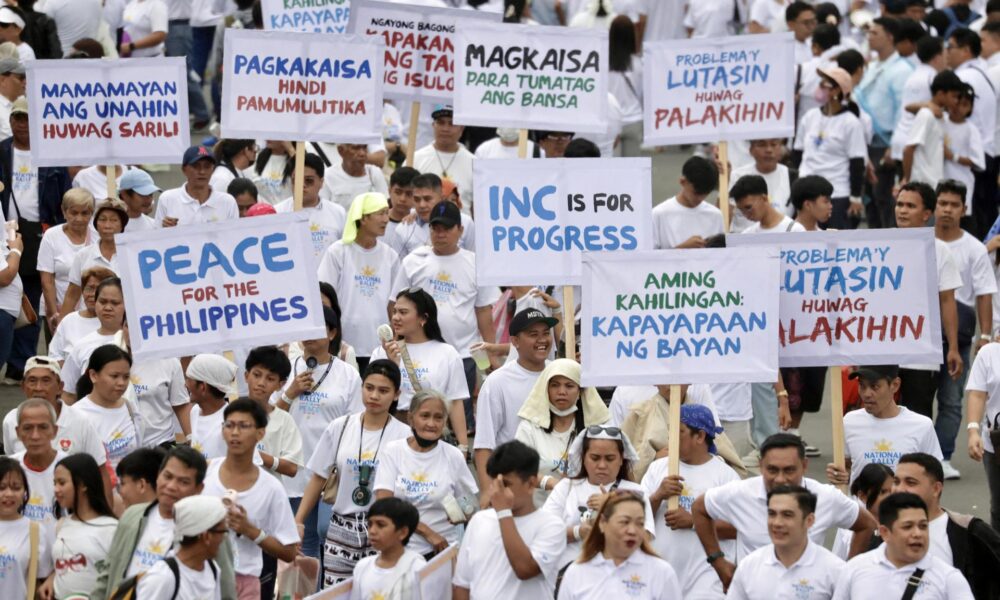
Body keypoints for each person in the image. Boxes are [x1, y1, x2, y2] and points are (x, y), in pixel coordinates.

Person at [692, 434, 877, 589]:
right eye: (772, 470)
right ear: (760, 464)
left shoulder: (826, 497)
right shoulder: (739, 493)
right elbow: (699, 508)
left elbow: (866, 524)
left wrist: (849, 574)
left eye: (789, 470)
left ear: (804, 466)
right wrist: (718, 562)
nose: (780, 479)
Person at [296, 360, 410, 586]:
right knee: (336, 592)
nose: (374, 396)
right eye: (369, 388)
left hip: (384, 530)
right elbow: (319, 476)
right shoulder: (340, 426)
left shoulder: (404, 435)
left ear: (397, 394)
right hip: (340, 529)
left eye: (383, 390)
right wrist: (298, 520)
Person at [91, 445, 236, 600]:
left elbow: (225, 590)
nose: (171, 486)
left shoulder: (210, 530)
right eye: (167, 476)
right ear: (158, 476)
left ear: (199, 488)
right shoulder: (132, 516)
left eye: (183, 482)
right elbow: (108, 572)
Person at [276, 308, 361, 552]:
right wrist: (289, 393)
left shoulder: (348, 374)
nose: (309, 334)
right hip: (292, 470)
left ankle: (329, 587)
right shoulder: (286, 370)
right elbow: (268, 420)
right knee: (302, 540)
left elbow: (355, 424)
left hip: (331, 472)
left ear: (332, 333)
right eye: (305, 328)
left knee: (328, 534)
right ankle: (311, 591)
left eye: (318, 328)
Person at [0, 95, 71, 384]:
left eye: (28, 119)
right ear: (10, 120)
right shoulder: (2, 151)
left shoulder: (52, 156)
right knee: (10, 296)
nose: (22, 124)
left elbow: (64, 194)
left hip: (42, 229)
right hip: (7, 230)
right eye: (18, 118)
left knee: (32, 294)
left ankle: (22, 364)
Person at [202, 399, 300, 599]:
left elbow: (289, 552)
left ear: (260, 433)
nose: (235, 433)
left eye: (244, 426)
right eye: (229, 425)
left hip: (244, 582)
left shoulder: (271, 488)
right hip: (202, 577)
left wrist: (250, 530)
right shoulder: (204, 473)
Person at [640, 404, 740, 598]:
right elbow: (635, 518)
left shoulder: (726, 477)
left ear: (700, 436)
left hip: (707, 579)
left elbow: (738, 528)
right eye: (671, 431)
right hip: (660, 575)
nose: (671, 437)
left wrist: (694, 522)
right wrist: (657, 495)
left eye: (680, 432)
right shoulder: (657, 469)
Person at [934, 180, 995, 479]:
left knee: (951, 398)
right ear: (934, 206)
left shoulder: (973, 248)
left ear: (964, 209)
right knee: (915, 395)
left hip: (958, 334)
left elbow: (984, 294)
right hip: (919, 332)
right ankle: (919, 454)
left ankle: (942, 456)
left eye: (954, 204)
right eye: (942, 203)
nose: (947, 209)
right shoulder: (919, 242)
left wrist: (984, 337)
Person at [453, 440, 566, 600]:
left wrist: (503, 512)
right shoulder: (479, 521)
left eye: (505, 484)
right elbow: (462, 585)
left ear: (531, 484)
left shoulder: (551, 526)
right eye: (494, 483)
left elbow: (525, 569)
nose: (496, 491)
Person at [374, 390, 479, 559]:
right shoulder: (393, 452)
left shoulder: (453, 456)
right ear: (411, 419)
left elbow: (469, 505)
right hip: (400, 552)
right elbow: (385, 505)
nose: (431, 423)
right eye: (425, 416)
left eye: (438, 418)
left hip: (443, 551)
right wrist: (427, 533)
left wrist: (464, 512)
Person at [894, 181, 964, 418]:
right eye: (900, 204)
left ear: (926, 214)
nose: (902, 210)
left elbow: (947, 301)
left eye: (910, 206)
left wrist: (953, 348)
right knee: (878, 416)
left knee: (917, 418)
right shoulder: (879, 244)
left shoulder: (940, 251)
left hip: (921, 353)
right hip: (882, 350)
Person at [542, 425, 653, 572]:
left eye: (610, 459)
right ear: (583, 458)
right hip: (571, 576)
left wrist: (611, 508)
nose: (602, 465)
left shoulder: (636, 492)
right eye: (595, 458)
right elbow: (544, 532)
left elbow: (645, 538)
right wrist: (578, 532)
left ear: (621, 459)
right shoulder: (566, 488)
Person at [474, 308, 555, 505]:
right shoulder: (497, 382)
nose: (542, 340)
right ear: (515, 341)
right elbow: (484, 444)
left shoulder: (559, 374)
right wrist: (487, 493)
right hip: (516, 485)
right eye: (533, 334)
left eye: (546, 333)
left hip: (555, 486)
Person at [370, 288, 469, 447]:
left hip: (430, 432)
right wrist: (392, 364)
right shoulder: (382, 352)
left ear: (423, 318)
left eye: (403, 312)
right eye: (394, 311)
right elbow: (374, 397)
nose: (395, 317)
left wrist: (463, 446)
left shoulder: (447, 353)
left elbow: (455, 403)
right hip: (390, 431)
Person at [892, 452, 1000, 598]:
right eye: (896, 481)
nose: (899, 489)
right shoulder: (882, 533)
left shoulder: (970, 531)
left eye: (910, 482)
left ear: (936, 489)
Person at [831, 492, 974, 600]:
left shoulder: (949, 578)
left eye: (923, 526)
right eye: (908, 527)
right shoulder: (855, 569)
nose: (918, 533)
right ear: (885, 533)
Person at [317, 191, 398, 372]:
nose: (386, 219)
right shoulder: (338, 252)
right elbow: (324, 297)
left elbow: (394, 303)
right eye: (381, 213)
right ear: (362, 218)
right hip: (343, 344)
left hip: (379, 346)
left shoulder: (390, 256)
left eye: (387, 212)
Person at [826, 365, 942, 487]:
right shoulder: (849, 421)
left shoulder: (922, 426)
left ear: (895, 385)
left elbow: (934, 478)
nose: (866, 394)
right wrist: (839, 475)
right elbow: (847, 465)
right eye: (862, 386)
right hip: (860, 506)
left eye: (874, 386)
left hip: (903, 505)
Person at [515, 359, 610, 505]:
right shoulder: (529, 427)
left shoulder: (597, 429)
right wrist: (550, 482)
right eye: (554, 385)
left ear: (580, 391)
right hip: (539, 512)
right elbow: (518, 468)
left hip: (584, 513)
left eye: (569, 386)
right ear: (546, 390)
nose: (561, 392)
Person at [556, 489, 681, 599]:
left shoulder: (661, 572)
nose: (632, 531)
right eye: (624, 522)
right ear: (602, 522)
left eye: (640, 523)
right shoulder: (577, 572)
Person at [726, 485, 846, 600]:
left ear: (809, 520)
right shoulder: (748, 566)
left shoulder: (835, 571)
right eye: (772, 514)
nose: (777, 523)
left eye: (787, 515)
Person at [794, 65, 867, 230]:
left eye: (824, 84)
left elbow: (857, 162)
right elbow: (797, 153)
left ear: (836, 91)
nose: (819, 87)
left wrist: (856, 197)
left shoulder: (851, 123)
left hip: (836, 195)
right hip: (806, 193)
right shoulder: (810, 116)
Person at [948, 28, 998, 238]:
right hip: (991, 151)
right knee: (986, 213)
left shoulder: (964, 76)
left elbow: (954, 111)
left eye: (950, 47)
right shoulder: (983, 73)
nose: (946, 52)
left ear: (966, 50)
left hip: (974, 155)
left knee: (973, 216)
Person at [45, 453, 117, 599]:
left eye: (62, 483)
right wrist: (52, 578)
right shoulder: (61, 525)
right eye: (54, 483)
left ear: (83, 484)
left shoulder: (112, 528)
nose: (56, 489)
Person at [135, 495, 227, 599]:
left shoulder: (213, 569)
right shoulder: (162, 578)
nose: (224, 538)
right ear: (206, 536)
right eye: (222, 532)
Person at [72, 345, 143, 472]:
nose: (121, 383)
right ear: (93, 375)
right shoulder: (76, 415)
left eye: (126, 377)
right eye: (114, 376)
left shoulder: (130, 408)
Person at [57, 199, 126, 323]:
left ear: (122, 225)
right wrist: (61, 325)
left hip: (122, 323)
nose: (107, 225)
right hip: (89, 322)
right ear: (96, 224)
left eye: (114, 220)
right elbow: (72, 294)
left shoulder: (131, 255)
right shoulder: (83, 255)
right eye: (103, 220)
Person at [60, 277, 125, 401]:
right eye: (102, 301)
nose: (107, 307)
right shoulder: (82, 346)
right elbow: (68, 394)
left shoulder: (138, 345)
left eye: (115, 303)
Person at [349, 497, 426, 600]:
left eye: (381, 525)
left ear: (403, 532)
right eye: (370, 524)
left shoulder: (416, 568)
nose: (372, 531)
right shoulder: (362, 567)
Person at [37, 188, 93, 331]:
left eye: (85, 213)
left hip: (91, 312)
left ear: (92, 213)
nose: (79, 218)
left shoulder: (98, 236)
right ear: (64, 211)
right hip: (57, 307)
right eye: (74, 212)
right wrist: (54, 313)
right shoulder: (51, 235)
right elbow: (46, 280)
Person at [274, 153, 347, 259]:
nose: (302, 185)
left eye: (309, 181)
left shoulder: (338, 212)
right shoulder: (277, 212)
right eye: (296, 180)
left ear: (321, 182)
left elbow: (345, 253)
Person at [902, 69, 965, 188]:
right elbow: (908, 149)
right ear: (941, 94)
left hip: (934, 183)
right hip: (922, 183)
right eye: (954, 96)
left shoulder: (942, 116)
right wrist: (907, 179)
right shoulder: (926, 114)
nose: (956, 101)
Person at [0, 457, 52, 599]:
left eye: (16, 487)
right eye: (2, 487)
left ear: (24, 492)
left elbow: (41, 582)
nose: (9, 494)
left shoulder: (35, 531)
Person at [390, 173, 474, 259]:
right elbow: (398, 268)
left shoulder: (465, 222)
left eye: (427, 199)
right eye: (417, 199)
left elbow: (474, 260)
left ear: (441, 197)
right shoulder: (404, 229)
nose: (422, 205)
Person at [154, 145, 238, 227]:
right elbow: (157, 236)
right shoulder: (167, 199)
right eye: (196, 166)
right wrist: (165, 230)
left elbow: (233, 236)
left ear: (213, 169)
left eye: (207, 166)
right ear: (184, 169)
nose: (202, 171)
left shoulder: (228, 202)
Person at [651, 156, 721, 249]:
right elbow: (649, 259)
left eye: (705, 194)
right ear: (683, 181)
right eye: (696, 193)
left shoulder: (716, 215)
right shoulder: (658, 214)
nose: (700, 198)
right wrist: (682, 249)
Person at [413, 105, 474, 210]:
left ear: (462, 128)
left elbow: (478, 207)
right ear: (433, 125)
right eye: (441, 123)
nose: (445, 129)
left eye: (452, 124)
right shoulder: (416, 159)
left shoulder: (474, 163)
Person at [967, 340, 1000, 530]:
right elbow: (977, 394)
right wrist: (973, 431)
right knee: (999, 508)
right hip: (995, 443)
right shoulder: (988, 353)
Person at [832, 463, 895, 559]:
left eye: (892, 491)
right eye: (883, 492)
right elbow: (837, 563)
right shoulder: (847, 529)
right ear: (862, 496)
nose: (889, 497)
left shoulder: (902, 524)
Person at [730, 139, 794, 232]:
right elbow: (726, 214)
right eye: (762, 145)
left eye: (774, 144)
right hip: (743, 242)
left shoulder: (792, 177)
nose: (769, 150)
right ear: (751, 150)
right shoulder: (736, 175)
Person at [47, 267, 107, 363]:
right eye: (89, 288)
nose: (92, 294)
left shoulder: (116, 323)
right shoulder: (69, 321)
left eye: (99, 289)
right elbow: (55, 355)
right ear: (82, 291)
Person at [186, 353, 237, 460]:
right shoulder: (195, 411)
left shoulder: (232, 422)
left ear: (202, 387)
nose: (185, 384)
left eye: (189, 380)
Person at [323, 143, 390, 210]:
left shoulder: (374, 173)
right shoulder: (328, 176)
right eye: (356, 148)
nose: (362, 153)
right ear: (341, 151)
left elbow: (385, 207)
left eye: (364, 147)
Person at [733, 174, 807, 233]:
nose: (746, 215)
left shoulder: (794, 230)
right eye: (741, 210)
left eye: (748, 208)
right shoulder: (747, 235)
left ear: (764, 198)